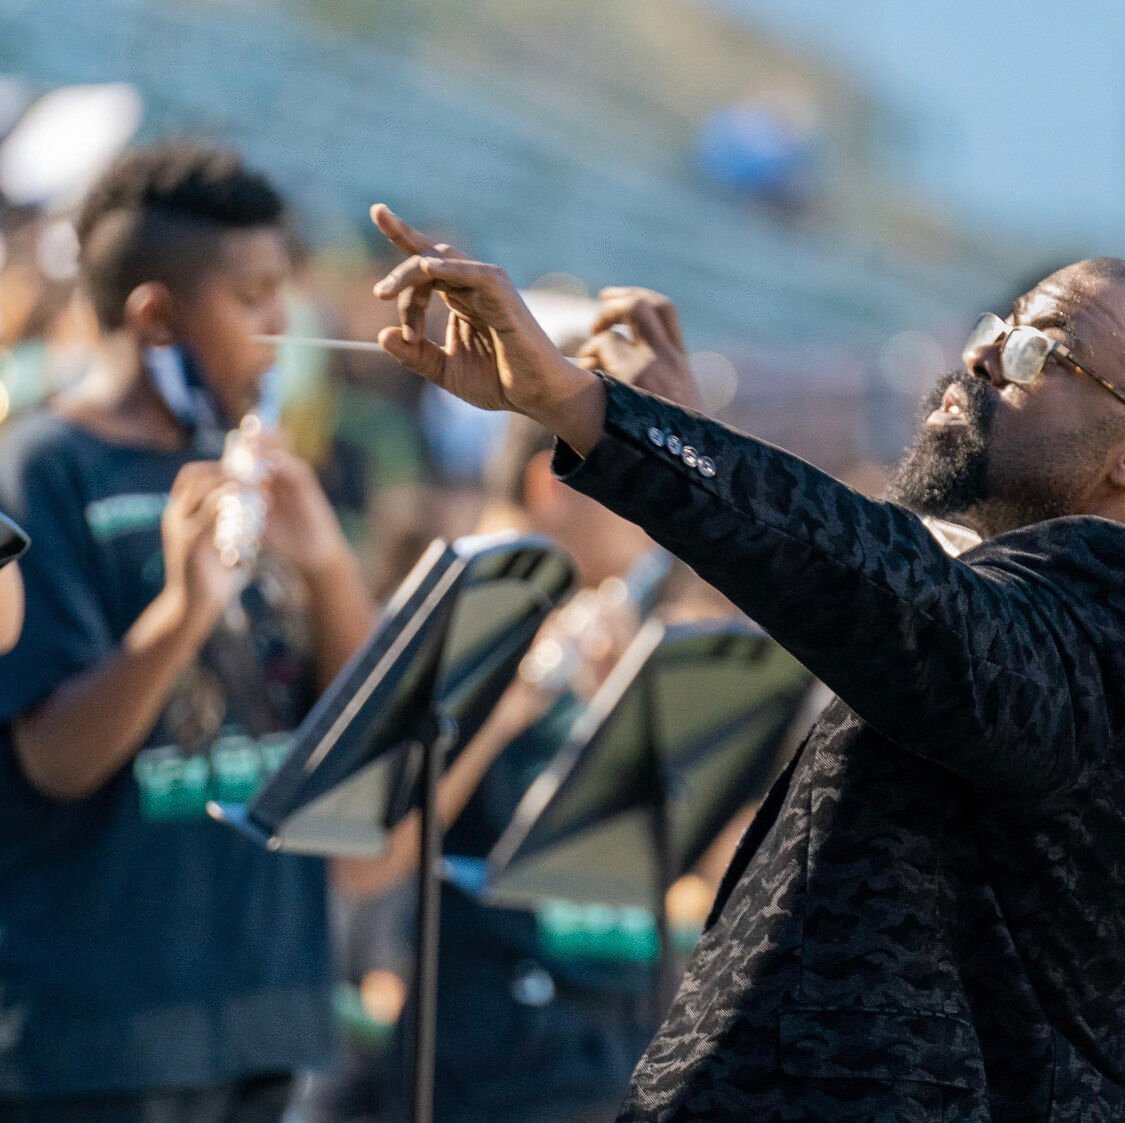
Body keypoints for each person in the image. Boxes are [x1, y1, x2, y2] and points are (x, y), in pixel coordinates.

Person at [366, 205, 1125, 1120]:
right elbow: (873, 583)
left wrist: (587, 407)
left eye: (1038, 351)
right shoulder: (1026, 618)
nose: (980, 357)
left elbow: (891, 593)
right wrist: (677, 435)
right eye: (993, 328)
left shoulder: (1097, 620)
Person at [0, 143, 374, 1122]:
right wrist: (182, 611)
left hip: (265, 1002)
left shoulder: (263, 470)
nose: (281, 325)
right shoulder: (41, 469)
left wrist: (329, 566)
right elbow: (54, 755)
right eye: (251, 298)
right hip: (98, 1033)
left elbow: (365, 731)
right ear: (157, 317)